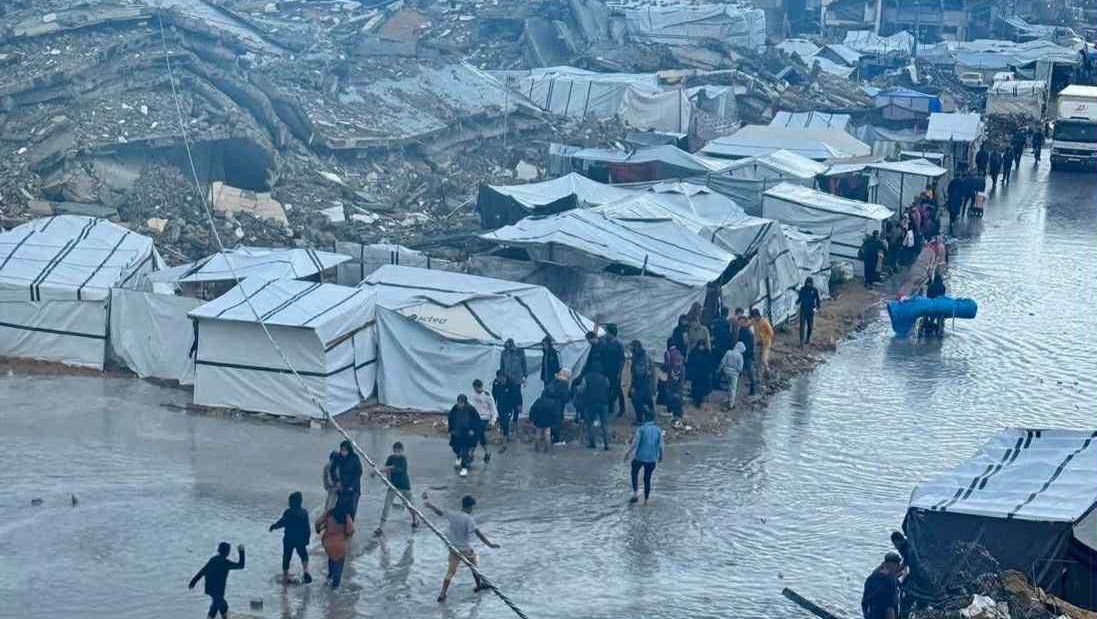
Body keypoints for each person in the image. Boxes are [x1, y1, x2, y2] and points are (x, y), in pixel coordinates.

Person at [422, 493, 499, 602]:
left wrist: (430, 506)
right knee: (474, 566)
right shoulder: (469, 519)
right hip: (465, 549)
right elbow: (479, 534)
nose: (472, 509)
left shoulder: (454, 514)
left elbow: (440, 512)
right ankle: (478, 585)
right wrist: (490, 544)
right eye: (472, 507)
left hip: (453, 548)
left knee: (450, 571)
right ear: (469, 506)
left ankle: (443, 593)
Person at [189, 542, 245, 619]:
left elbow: (202, 571)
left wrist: (193, 582)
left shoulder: (213, 560)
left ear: (219, 550)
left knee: (215, 606)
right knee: (223, 606)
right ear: (227, 552)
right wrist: (241, 551)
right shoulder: (225, 563)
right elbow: (241, 566)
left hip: (210, 589)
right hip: (218, 590)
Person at [373, 442, 418, 535]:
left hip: (404, 486)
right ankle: (381, 527)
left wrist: (378, 470)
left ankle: (415, 520)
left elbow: (394, 468)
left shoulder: (403, 460)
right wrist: (389, 480)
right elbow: (387, 469)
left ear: (402, 450)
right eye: (395, 451)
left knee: (409, 505)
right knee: (387, 505)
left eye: (398, 451)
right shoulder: (390, 458)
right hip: (393, 486)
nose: (396, 453)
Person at [269, 491, 312, 584]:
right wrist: (307, 539)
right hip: (300, 539)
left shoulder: (288, 512)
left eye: (289, 501)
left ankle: (285, 576)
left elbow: (282, 522)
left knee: (286, 557)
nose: (288, 502)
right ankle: (306, 571)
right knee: (303, 555)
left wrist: (274, 526)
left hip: (289, 539)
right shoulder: (304, 513)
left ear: (292, 502)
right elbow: (307, 528)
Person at [315, 493, 355, 589]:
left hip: (327, 543)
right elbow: (351, 530)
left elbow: (317, 523)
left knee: (331, 557)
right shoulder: (346, 516)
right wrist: (347, 537)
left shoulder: (329, 513)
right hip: (340, 544)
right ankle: (334, 587)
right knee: (339, 564)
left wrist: (318, 530)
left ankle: (330, 576)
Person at [624, 411, 663, 504]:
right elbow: (661, 446)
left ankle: (635, 494)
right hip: (652, 459)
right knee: (647, 479)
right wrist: (660, 457)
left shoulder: (641, 429)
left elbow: (635, 443)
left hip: (640, 457)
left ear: (645, 419)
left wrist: (627, 453)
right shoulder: (658, 430)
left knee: (634, 472)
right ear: (653, 420)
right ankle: (646, 500)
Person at [578, 363, 611, 450]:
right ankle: (606, 444)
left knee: (590, 423)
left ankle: (592, 443)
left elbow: (582, 390)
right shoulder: (605, 378)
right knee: (604, 424)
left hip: (591, 404)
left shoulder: (586, 378)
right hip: (604, 403)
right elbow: (608, 388)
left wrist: (577, 389)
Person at [861, 552, 902, 619]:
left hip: (872, 614)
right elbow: (889, 608)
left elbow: (864, 603)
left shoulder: (870, 579)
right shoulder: (890, 582)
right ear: (894, 565)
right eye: (897, 565)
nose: (898, 568)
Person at [447, 395, 480, 477]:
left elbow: (476, 420)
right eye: (458, 402)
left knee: (464, 450)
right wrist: (450, 430)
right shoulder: (455, 408)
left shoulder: (470, 409)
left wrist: (472, 429)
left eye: (461, 403)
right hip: (456, 432)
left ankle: (464, 468)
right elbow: (450, 418)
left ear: (465, 402)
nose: (460, 404)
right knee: (456, 448)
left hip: (466, 433)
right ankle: (459, 457)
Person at [601, 325, 626, 418]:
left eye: (607, 332)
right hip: (606, 369)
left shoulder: (618, 344)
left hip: (615, 370)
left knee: (617, 389)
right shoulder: (605, 342)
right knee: (607, 388)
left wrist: (619, 372)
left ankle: (622, 409)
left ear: (611, 333)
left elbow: (622, 360)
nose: (606, 334)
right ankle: (610, 407)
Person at [469, 379, 496, 463]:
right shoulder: (473, 394)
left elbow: (493, 408)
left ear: (481, 386)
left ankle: (471, 454)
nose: (476, 390)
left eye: (478, 388)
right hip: (475, 418)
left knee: (476, 435)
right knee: (480, 436)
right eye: (475, 388)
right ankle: (487, 452)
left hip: (484, 418)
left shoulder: (487, 395)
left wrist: (493, 420)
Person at [335, 440, 363, 520]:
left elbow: (358, 473)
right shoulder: (338, 457)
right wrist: (337, 481)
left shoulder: (354, 458)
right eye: (342, 450)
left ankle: (349, 525)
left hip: (353, 489)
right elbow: (333, 470)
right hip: (342, 488)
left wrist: (352, 486)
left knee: (351, 511)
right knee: (340, 511)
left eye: (345, 450)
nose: (343, 452)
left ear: (349, 450)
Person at [499, 338, 527, 418]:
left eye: (509, 346)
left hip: (517, 379)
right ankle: (508, 416)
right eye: (506, 346)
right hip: (507, 379)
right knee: (508, 398)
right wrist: (502, 376)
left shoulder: (520, 352)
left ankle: (515, 418)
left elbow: (524, 364)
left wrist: (525, 376)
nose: (508, 347)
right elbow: (502, 365)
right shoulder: (504, 353)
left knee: (517, 398)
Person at [628, 340, 654, 425]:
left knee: (637, 400)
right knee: (647, 401)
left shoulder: (640, 358)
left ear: (636, 347)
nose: (630, 349)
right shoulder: (642, 356)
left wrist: (634, 386)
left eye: (632, 347)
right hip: (645, 382)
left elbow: (640, 373)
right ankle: (649, 417)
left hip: (642, 383)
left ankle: (641, 419)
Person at [686, 337, 712, 409]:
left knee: (701, 389)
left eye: (702, 345)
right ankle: (696, 400)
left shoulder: (707, 352)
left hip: (703, 374)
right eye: (700, 345)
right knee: (695, 388)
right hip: (696, 374)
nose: (701, 347)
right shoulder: (694, 351)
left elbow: (709, 363)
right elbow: (690, 362)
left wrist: (709, 372)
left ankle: (699, 401)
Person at [492, 370, 518, 441]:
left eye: (502, 379)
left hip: (509, 406)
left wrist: (515, 406)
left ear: (505, 377)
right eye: (499, 379)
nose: (501, 381)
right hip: (500, 404)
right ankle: (504, 432)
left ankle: (506, 435)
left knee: (506, 420)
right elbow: (494, 393)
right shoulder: (496, 382)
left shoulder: (511, 383)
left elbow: (516, 395)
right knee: (501, 420)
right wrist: (493, 404)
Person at [719, 341, 745, 409]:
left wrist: (720, 369)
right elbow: (740, 368)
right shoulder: (740, 356)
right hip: (734, 374)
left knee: (729, 386)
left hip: (726, 372)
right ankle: (731, 404)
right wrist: (737, 370)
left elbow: (723, 362)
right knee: (733, 388)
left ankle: (728, 400)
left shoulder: (728, 352)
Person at [710, 307, 733, 384]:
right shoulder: (727, 323)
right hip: (724, 346)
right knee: (721, 364)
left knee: (714, 363)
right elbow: (729, 335)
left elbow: (711, 333)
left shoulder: (714, 322)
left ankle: (712, 380)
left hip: (715, 345)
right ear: (727, 314)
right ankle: (717, 382)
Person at [750, 309, 774, 379]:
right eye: (753, 317)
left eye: (754, 317)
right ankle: (759, 378)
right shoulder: (753, 321)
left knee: (763, 359)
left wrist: (764, 340)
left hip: (765, 344)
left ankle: (768, 371)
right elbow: (748, 324)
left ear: (758, 315)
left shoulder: (765, 322)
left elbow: (771, 333)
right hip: (757, 343)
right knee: (757, 361)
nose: (754, 319)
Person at [663, 344, 685, 420]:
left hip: (676, 387)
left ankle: (677, 415)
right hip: (671, 386)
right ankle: (673, 413)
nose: (677, 363)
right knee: (671, 399)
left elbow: (681, 382)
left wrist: (678, 392)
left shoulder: (681, 369)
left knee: (676, 401)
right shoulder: (671, 367)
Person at [797, 277, 821, 346]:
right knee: (802, 326)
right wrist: (797, 302)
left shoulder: (814, 290)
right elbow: (800, 298)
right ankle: (801, 341)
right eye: (807, 283)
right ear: (806, 283)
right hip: (803, 310)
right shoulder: (802, 289)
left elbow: (817, 299)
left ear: (812, 283)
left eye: (810, 283)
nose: (808, 284)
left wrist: (817, 307)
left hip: (810, 310)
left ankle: (807, 338)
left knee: (810, 326)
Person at [737, 315, 757, 396]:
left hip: (747, 353)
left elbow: (751, 344)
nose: (740, 324)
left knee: (749, 371)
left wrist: (751, 353)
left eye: (741, 322)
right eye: (740, 322)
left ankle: (753, 388)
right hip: (743, 353)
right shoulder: (744, 330)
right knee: (747, 371)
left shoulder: (747, 331)